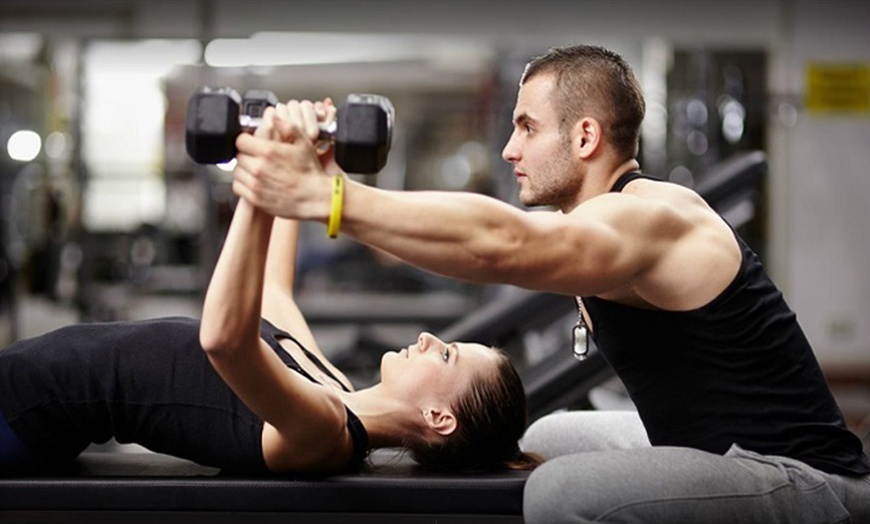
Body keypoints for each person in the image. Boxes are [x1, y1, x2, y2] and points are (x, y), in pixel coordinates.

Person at [230, 44, 870, 521]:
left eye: (527, 128)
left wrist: (327, 197)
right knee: (546, 436)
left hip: (803, 480)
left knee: (559, 493)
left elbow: (502, 244)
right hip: (716, 447)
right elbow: (469, 241)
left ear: (585, 135)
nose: (510, 149)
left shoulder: (653, 216)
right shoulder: (601, 220)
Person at [0, 109, 540, 476]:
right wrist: (312, 170)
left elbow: (226, 341)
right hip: (29, 384)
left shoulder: (326, 433)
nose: (428, 338)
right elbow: (271, 292)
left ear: (438, 418)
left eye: (447, 355)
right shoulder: (331, 386)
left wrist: (262, 183)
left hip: (25, 412)